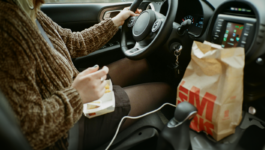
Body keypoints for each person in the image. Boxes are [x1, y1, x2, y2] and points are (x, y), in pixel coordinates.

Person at [0, 0, 174, 150]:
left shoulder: (27, 7)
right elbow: (28, 130)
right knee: (166, 89)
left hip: (70, 89)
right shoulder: (6, 24)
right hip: (66, 131)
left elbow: (72, 42)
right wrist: (77, 95)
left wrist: (115, 22)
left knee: (142, 64)